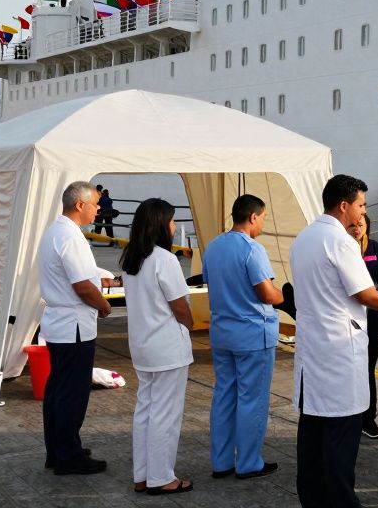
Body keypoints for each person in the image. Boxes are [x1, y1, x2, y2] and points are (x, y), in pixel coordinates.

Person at [291, 174, 378, 508]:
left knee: (311, 442)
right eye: (360, 205)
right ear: (344, 206)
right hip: (339, 355)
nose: (362, 212)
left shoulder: (305, 238)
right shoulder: (340, 242)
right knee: (340, 443)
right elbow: (367, 294)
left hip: (312, 356)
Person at [203, 194, 283, 480]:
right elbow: (267, 293)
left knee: (224, 396)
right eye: (262, 218)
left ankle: (221, 462)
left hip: (222, 333)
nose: (262, 224)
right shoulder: (253, 249)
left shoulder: (213, 247)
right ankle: (249, 462)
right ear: (252, 217)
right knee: (252, 399)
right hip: (252, 335)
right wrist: (282, 294)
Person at [38, 181, 112, 475]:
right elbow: (82, 286)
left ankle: (58, 450)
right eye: (95, 203)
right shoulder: (70, 236)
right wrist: (104, 306)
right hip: (74, 325)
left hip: (60, 321)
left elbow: (82, 278)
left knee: (58, 389)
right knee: (73, 392)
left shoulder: (56, 231)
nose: (98, 208)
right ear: (79, 204)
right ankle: (69, 456)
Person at [122, 198, 194, 495]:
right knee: (166, 414)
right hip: (166, 347)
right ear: (160, 224)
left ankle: (143, 474)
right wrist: (190, 323)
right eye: (172, 220)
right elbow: (180, 305)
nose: (175, 225)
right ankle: (161, 477)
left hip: (142, 345)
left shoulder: (131, 258)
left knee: (146, 411)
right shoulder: (164, 259)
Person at [347, 213, 378, 440]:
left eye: (360, 225)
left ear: (367, 227)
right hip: (349, 318)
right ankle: (350, 416)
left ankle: (368, 418)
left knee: (368, 369)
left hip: (373, 318)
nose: (357, 229)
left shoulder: (375, 249)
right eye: (352, 225)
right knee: (350, 369)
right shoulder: (343, 250)